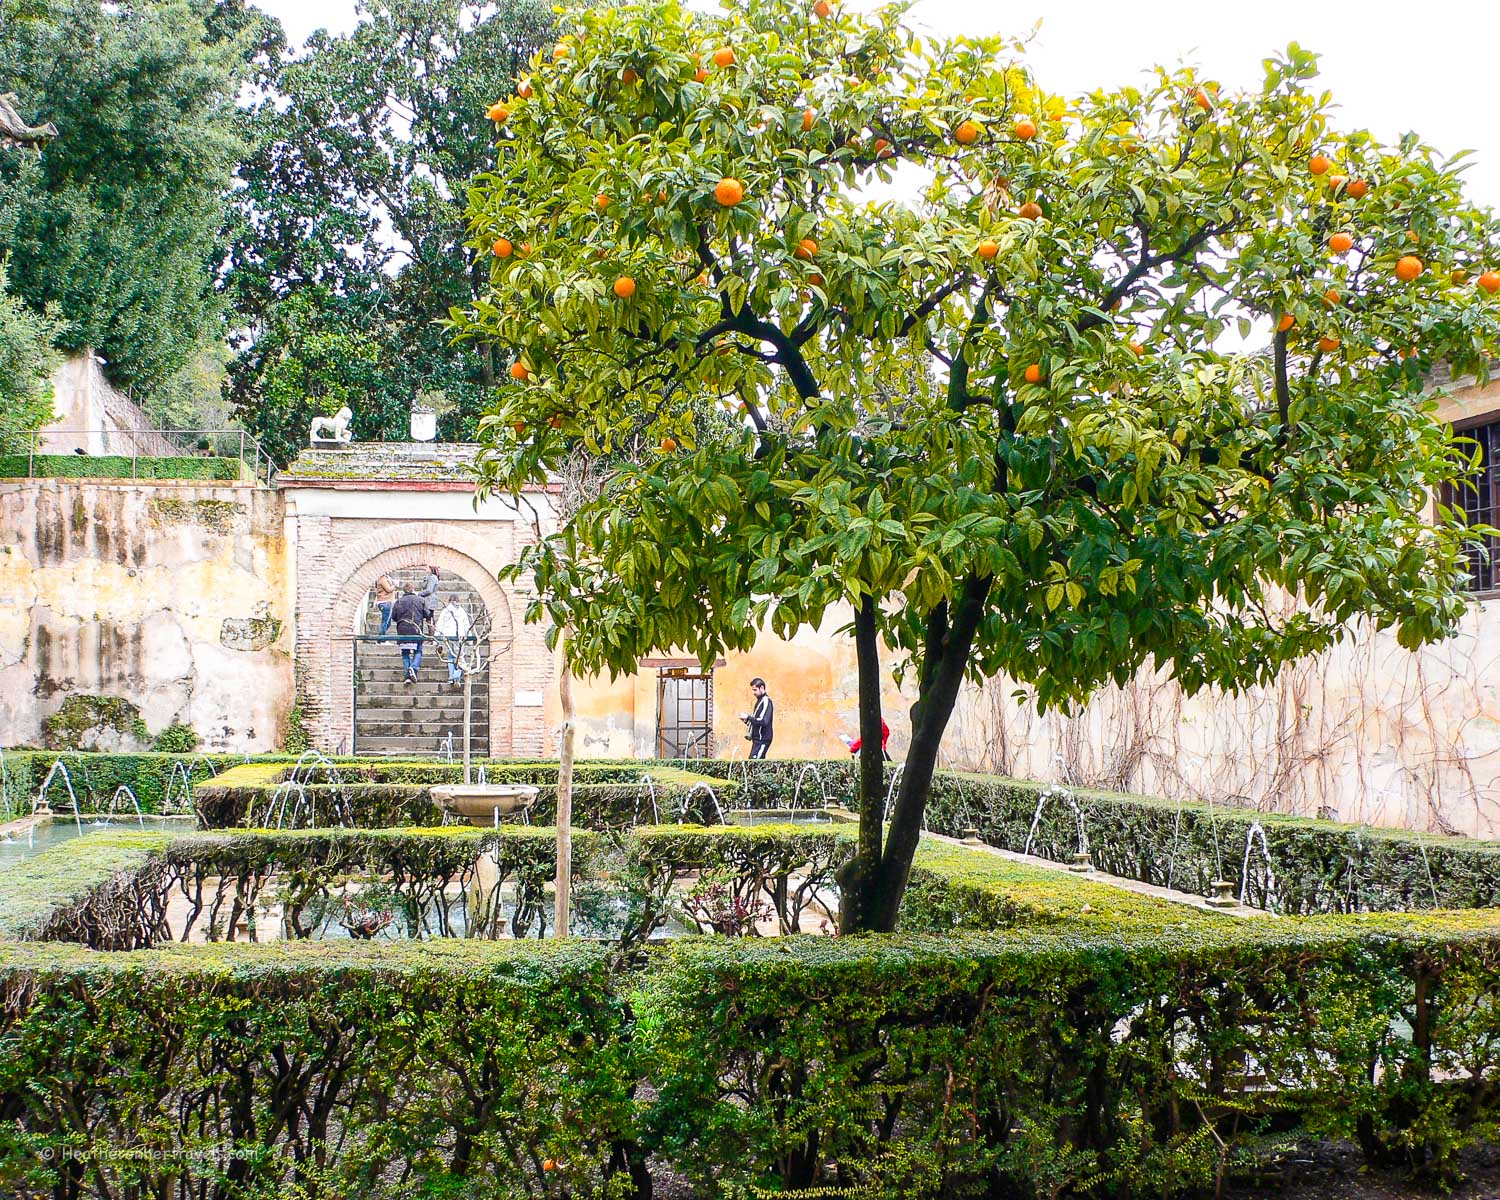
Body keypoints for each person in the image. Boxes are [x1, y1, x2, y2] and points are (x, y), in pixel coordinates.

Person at [391, 584, 428, 684]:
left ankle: (408, 676)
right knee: (418, 651)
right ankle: (414, 667)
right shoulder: (420, 600)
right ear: (413, 589)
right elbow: (427, 614)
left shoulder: (398, 601)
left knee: (405, 653)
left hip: (402, 629)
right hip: (416, 628)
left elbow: (393, 616)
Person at [434, 596, 472, 687]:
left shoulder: (445, 611)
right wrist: (469, 639)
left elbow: (440, 624)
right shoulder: (462, 611)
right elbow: (466, 625)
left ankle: (452, 676)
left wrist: (436, 638)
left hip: (448, 636)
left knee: (451, 657)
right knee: (459, 657)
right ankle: (457, 676)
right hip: (460, 636)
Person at [739, 678, 774, 759]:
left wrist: (748, 717)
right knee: (756, 765)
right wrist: (746, 720)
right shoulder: (760, 701)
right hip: (757, 740)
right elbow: (757, 722)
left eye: (755, 690)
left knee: (754, 764)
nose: (753, 693)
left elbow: (764, 721)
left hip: (763, 739)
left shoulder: (766, 701)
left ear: (762, 688)